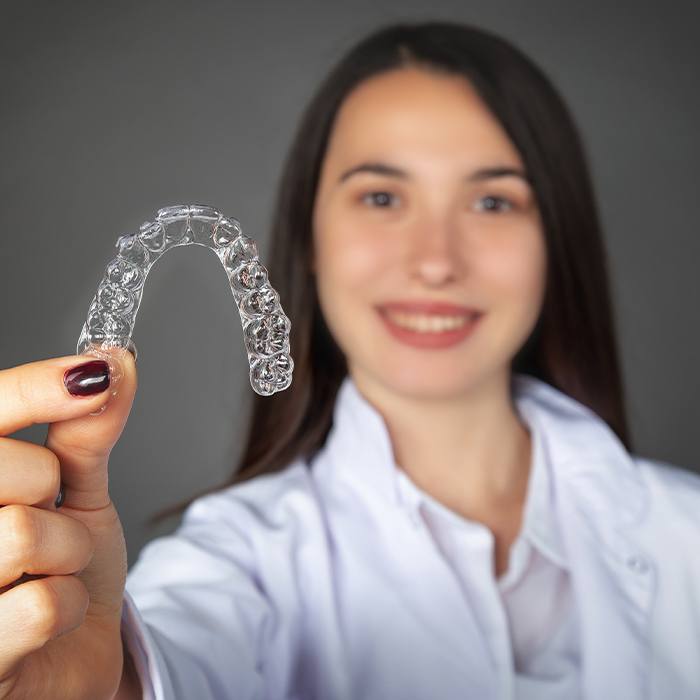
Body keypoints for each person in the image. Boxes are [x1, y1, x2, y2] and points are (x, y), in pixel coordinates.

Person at [1, 19, 698, 700]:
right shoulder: (236, 561)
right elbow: (176, 662)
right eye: (382, 196)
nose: (434, 262)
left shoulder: (685, 531)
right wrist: (111, 684)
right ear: (310, 236)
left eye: (492, 200)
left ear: (557, 238)